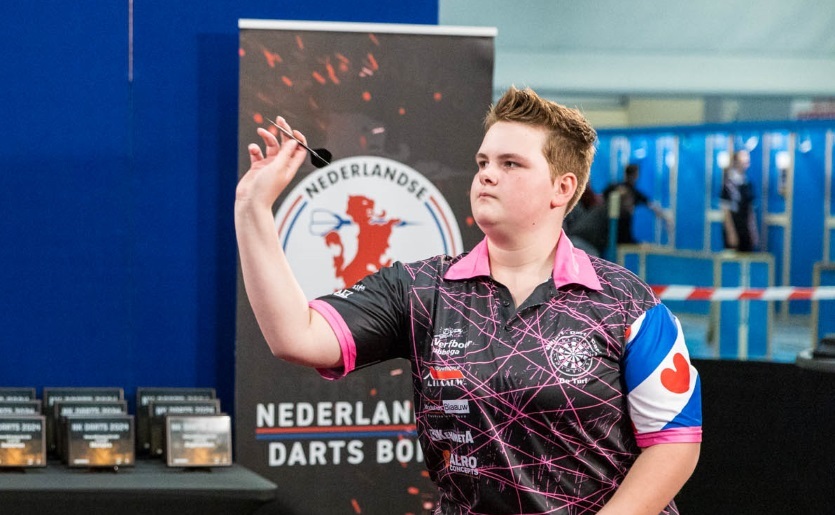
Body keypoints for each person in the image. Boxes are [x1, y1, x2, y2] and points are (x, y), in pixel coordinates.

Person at [235, 86, 702, 514]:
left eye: (510, 164)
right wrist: (252, 208)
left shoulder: (625, 301)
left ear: (562, 188)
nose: (487, 176)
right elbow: (297, 335)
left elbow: (674, 443)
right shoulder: (422, 288)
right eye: (483, 163)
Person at [603, 163, 672, 245]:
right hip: (620, 236)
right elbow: (651, 206)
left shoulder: (612, 187)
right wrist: (665, 217)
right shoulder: (633, 193)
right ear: (636, 175)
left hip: (607, 234)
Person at [720, 149, 758, 252]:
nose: (747, 160)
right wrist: (731, 233)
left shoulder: (747, 183)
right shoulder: (728, 184)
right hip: (734, 229)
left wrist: (753, 232)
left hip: (746, 231)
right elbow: (726, 211)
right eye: (744, 158)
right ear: (736, 161)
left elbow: (750, 210)